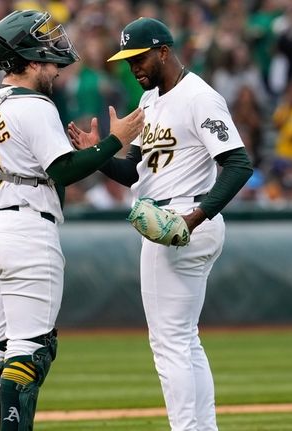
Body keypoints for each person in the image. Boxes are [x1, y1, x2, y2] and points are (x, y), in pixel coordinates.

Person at [0, 10, 144, 431]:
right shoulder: (34, 105)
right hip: (24, 226)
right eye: (50, 56)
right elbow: (64, 171)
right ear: (31, 57)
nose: (56, 66)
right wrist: (117, 141)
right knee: (29, 351)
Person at [68, 17, 253, 431]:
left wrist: (195, 215)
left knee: (168, 343)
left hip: (182, 220)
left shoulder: (199, 96)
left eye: (140, 57)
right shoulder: (150, 101)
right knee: (185, 340)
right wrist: (97, 154)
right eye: (127, 59)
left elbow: (239, 164)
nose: (133, 67)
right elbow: (135, 173)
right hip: (172, 217)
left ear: (164, 52)